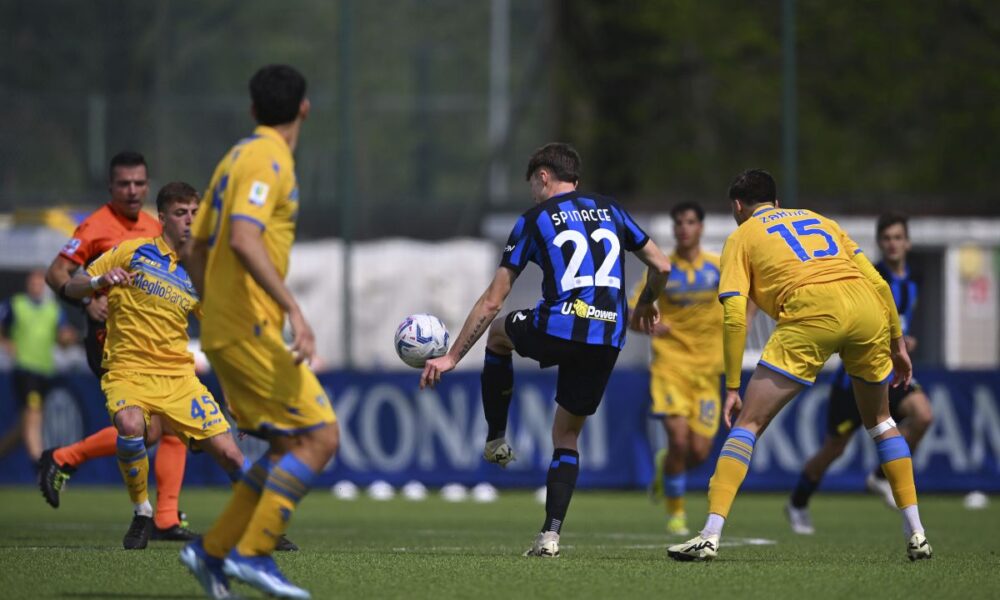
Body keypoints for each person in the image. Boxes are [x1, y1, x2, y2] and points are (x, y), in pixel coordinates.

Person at [420, 142, 672, 558]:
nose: (532, 194)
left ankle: (496, 438)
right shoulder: (611, 209)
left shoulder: (534, 219)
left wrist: (451, 358)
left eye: (532, 185)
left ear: (543, 176)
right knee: (567, 435)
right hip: (608, 334)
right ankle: (550, 534)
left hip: (562, 323)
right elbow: (661, 266)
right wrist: (645, 302)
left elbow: (493, 300)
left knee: (499, 332)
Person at [667, 169, 932, 562]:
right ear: (776, 202)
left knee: (748, 424)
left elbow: (736, 315)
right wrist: (897, 343)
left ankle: (709, 534)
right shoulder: (819, 219)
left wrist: (734, 387)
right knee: (881, 422)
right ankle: (917, 533)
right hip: (866, 310)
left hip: (811, 312)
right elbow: (877, 282)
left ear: (737, 207)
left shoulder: (741, 236)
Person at [180, 64, 336, 599]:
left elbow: (195, 246)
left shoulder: (233, 158)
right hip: (249, 326)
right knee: (322, 437)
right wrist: (294, 309)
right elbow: (245, 239)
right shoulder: (272, 159)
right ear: (305, 108)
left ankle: (212, 549)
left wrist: (214, 305)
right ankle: (254, 550)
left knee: (285, 443)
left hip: (228, 325)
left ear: (252, 110)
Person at [60, 182, 248, 550]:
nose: (190, 220)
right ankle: (142, 512)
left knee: (231, 456)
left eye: (195, 213)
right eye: (181, 213)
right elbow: (71, 286)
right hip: (127, 371)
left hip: (179, 378)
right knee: (131, 426)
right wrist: (99, 280)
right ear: (162, 218)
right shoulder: (133, 251)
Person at [38, 152, 194, 542]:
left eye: (140, 183)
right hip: (115, 344)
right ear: (111, 187)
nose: (132, 191)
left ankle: (166, 516)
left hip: (156, 348)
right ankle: (65, 458)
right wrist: (88, 301)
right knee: (146, 429)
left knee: (168, 428)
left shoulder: (155, 225)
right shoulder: (95, 226)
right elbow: (57, 273)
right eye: (124, 184)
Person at [786, 212, 933, 533]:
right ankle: (797, 501)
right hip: (855, 377)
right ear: (879, 244)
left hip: (891, 372)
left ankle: (880, 477)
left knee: (923, 416)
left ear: (907, 243)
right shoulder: (869, 276)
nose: (892, 244)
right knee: (833, 449)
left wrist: (904, 339)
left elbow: (900, 317)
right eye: (887, 239)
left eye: (898, 238)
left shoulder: (915, 279)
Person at [629, 202, 723, 536]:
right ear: (673, 229)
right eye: (678, 222)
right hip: (671, 367)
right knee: (679, 440)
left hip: (709, 371)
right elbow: (633, 316)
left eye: (690, 222)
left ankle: (663, 466)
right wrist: (648, 325)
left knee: (698, 451)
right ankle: (677, 515)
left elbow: (746, 298)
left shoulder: (719, 267)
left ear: (701, 227)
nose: (684, 228)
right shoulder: (661, 269)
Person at [0, 270, 77, 464]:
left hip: (45, 370)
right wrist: (5, 342)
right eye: (33, 283)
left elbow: (62, 338)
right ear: (27, 285)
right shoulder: (16, 304)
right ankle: (41, 464)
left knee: (25, 425)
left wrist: (68, 339)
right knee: (34, 413)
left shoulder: (53, 310)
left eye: (39, 284)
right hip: (25, 369)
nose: (36, 287)